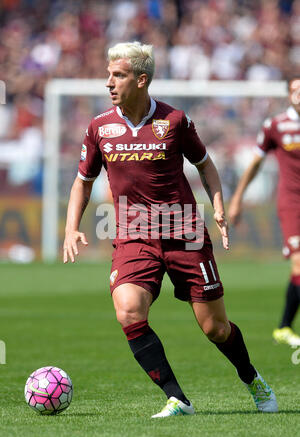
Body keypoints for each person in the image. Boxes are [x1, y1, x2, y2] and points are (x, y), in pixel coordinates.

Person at [63, 41, 277, 417]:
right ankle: (178, 398)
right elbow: (83, 180)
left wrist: (220, 207)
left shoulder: (175, 121)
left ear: (141, 80)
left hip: (185, 232)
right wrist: (70, 228)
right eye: (109, 74)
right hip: (133, 233)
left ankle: (252, 378)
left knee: (215, 328)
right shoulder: (99, 127)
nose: (108, 82)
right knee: (129, 310)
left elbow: (206, 165)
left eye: (118, 75)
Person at [229, 77, 300, 347]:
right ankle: (283, 328)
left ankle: (283, 327)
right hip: (292, 203)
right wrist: (237, 199)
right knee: (299, 264)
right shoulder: (276, 126)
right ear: (288, 95)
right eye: (296, 90)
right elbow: (255, 163)